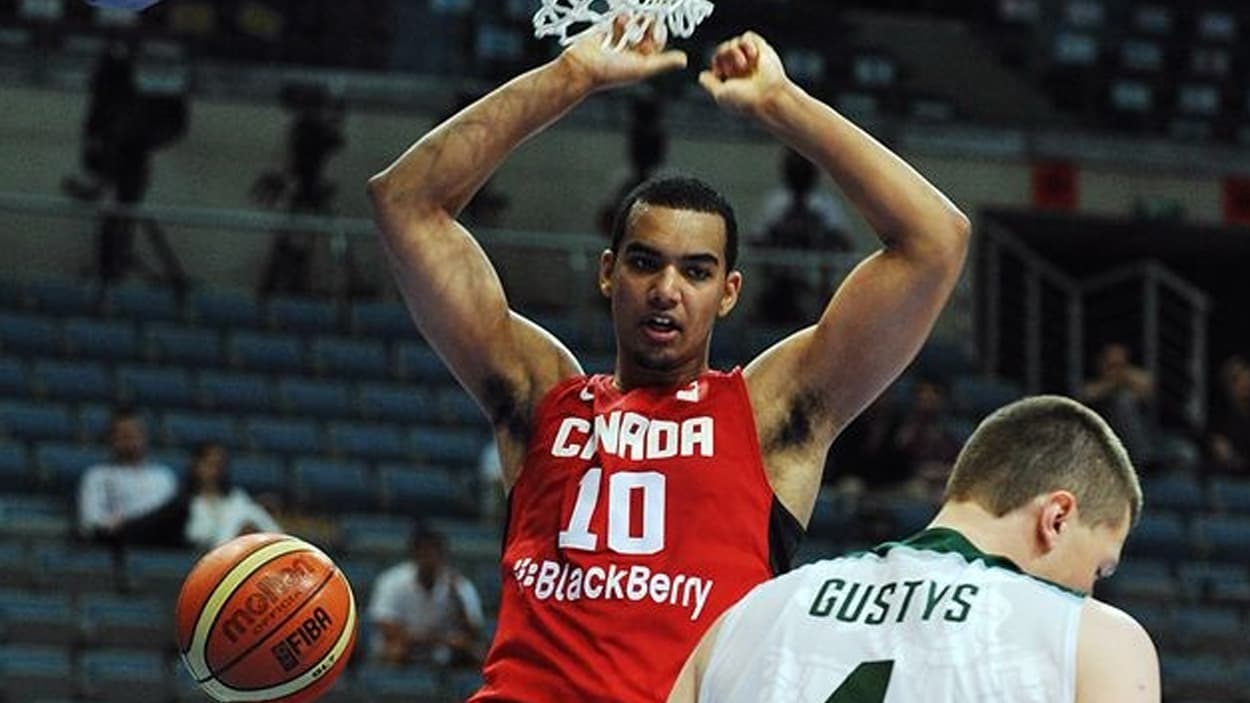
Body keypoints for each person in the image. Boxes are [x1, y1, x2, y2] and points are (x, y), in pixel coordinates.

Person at [368, 22, 969, 702]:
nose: (666, 289)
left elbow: (936, 240)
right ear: (608, 272)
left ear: (729, 291)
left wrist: (782, 104)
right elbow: (405, 203)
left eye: (696, 271)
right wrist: (571, 77)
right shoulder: (542, 396)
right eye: (645, 262)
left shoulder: (768, 414)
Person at [668, 395, 1159, 703]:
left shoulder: (747, 616)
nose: (1090, 590)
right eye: (1100, 568)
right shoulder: (1095, 640)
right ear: (1057, 518)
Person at [366, 523, 486, 668]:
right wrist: (435, 639)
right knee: (395, 650)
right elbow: (386, 626)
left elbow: (475, 630)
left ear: (443, 555)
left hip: (442, 649)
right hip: (407, 644)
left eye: (434, 552)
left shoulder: (459, 584)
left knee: (476, 653)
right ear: (414, 554)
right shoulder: (391, 580)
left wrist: (457, 600)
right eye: (424, 553)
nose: (429, 558)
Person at [77, 407, 182, 548]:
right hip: (123, 539)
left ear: (145, 437)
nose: (130, 441)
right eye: (123, 436)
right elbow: (90, 522)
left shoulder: (163, 476)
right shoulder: (98, 475)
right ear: (111, 439)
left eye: (135, 434)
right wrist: (113, 524)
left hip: (162, 539)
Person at [182, 443, 281, 552]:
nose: (215, 470)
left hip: (238, 552)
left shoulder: (237, 497)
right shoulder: (184, 503)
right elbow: (194, 535)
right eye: (210, 464)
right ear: (196, 465)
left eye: (220, 465)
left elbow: (259, 523)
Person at [1082, 342, 1157, 468]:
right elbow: (1086, 394)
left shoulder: (1130, 383)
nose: (1117, 371)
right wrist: (1113, 383)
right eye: (1113, 366)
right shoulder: (1095, 384)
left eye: (1121, 365)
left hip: (1137, 445)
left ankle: (1145, 460)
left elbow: (1148, 388)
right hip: (1103, 446)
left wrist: (1124, 377)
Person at [1207, 354, 1250, 475]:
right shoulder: (1221, 420)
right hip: (1233, 477)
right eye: (1236, 379)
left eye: (1246, 376)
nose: (1244, 383)